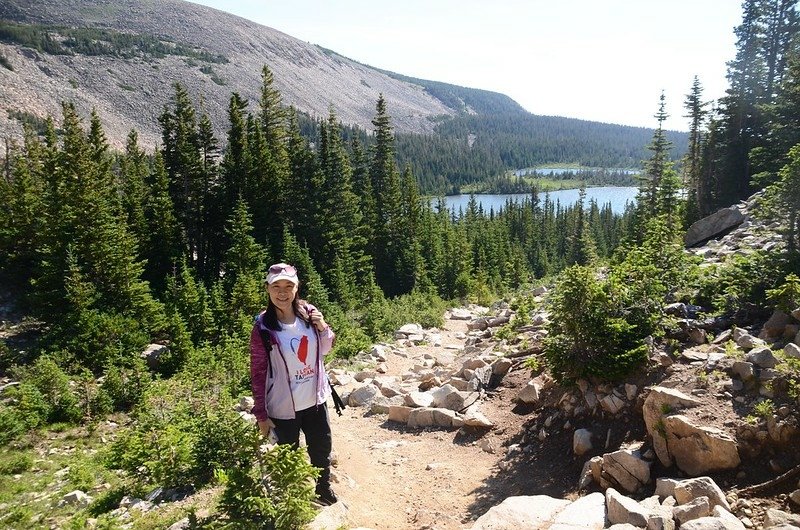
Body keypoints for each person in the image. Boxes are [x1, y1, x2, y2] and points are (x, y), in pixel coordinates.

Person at [249, 262, 338, 505]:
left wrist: (323, 327)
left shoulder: (308, 314)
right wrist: (261, 413)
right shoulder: (263, 327)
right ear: (267, 289)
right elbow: (257, 371)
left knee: (321, 447)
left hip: (315, 399)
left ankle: (322, 488)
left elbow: (326, 348)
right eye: (276, 286)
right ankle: (292, 499)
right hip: (282, 405)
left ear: (296, 287)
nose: (282, 292)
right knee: (287, 454)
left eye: (288, 286)